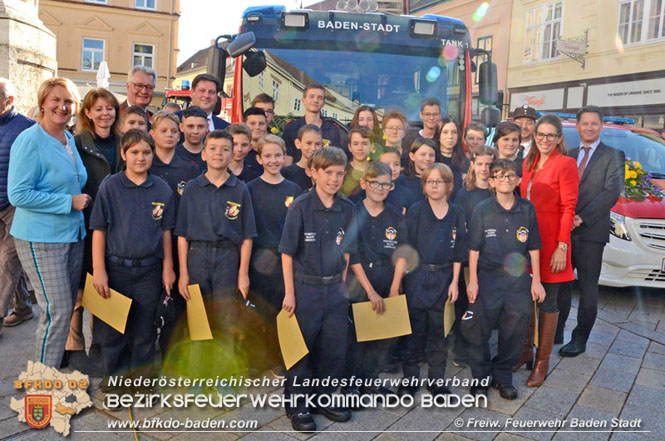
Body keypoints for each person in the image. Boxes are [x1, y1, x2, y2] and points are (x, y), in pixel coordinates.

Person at [8, 78, 90, 368]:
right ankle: (41, 389)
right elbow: (18, 194)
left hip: (70, 235)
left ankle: (47, 374)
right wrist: (68, 202)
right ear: (42, 103)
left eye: (68, 101)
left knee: (60, 312)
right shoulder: (30, 140)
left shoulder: (67, 139)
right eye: (55, 100)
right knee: (58, 311)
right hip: (41, 238)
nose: (62, 106)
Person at [90, 129, 175, 387]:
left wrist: (168, 267)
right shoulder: (110, 185)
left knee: (145, 330)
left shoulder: (161, 188)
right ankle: (114, 381)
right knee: (113, 331)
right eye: (134, 152)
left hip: (149, 270)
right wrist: (99, 269)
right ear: (124, 154)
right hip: (116, 269)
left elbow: (166, 231)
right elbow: (99, 230)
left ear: (153, 155)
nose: (141, 158)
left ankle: (141, 381)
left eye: (146, 152)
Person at [279, 146, 356, 432]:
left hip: (334, 289)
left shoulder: (347, 208)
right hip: (305, 288)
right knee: (301, 350)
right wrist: (290, 293)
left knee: (334, 348)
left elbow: (347, 252)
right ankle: (297, 405)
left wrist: (343, 287)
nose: (334, 179)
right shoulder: (300, 206)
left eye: (339, 174)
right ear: (314, 173)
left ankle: (325, 398)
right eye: (328, 173)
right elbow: (287, 253)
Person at [175, 130, 256, 382]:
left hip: (227, 259)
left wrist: (242, 274)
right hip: (197, 256)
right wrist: (184, 274)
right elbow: (181, 234)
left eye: (224, 149)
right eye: (213, 148)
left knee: (225, 320)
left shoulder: (240, 190)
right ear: (203, 153)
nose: (218, 153)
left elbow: (247, 236)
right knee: (198, 321)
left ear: (233, 154)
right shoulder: (192, 188)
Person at [466, 159, 545, 400]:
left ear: (519, 180)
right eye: (499, 176)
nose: (506, 180)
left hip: (518, 278)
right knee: (479, 329)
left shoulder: (527, 208)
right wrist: (473, 281)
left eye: (511, 176)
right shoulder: (482, 209)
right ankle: (480, 377)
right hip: (488, 276)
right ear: (491, 182)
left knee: (515, 328)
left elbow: (533, 246)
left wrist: (536, 280)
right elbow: (474, 248)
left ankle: (503, 377)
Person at [514, 114, 579, 387]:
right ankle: (525, 351)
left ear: (559, 138)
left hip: (552, 243)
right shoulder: (527, 162)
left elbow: (568, 208)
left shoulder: (566, 164)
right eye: (541, 134)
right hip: (525, 243)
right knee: (526, 299)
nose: (545, 139)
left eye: (551, 135)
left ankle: (542, 362)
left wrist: (562, 247)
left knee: (548, 302)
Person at [557, 106, 625, 357]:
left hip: (591, 232)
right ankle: (556, 331)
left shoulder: (614, 155)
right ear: (577, 126)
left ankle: (580, 338)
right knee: (561, 284)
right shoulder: (568, 155)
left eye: (594, 123)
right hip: (564, 231)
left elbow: (611, 192)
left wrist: (581, 217)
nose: (589, 127)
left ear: (601, 125)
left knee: (587, 287)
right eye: (584, 123)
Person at [398, 163, 465, 398]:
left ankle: (437, 381)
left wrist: (455, 282)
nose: (434, 185)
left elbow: (459, 251)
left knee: (439, 332)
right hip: (418, 277)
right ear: (424, 185)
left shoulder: (456, 212)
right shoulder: (416, 211)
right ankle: (410, 379)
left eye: (439, 181)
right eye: (429, 181)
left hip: (445, 278)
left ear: (449, 185)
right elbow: (406, 248)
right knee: (414, 332)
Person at [68, 88, 122, 367]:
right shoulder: (77, 143)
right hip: (85, 224)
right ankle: (74, 348)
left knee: (103, 286)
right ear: (87, 113)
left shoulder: (124, 142)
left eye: (109, 108)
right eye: (98, 109)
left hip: (116, 228)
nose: (105, 114)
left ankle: (99, 347)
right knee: (78, 287)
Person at [346, 161, 407, 395]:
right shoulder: (352, 211)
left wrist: (394, 288)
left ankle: (371, 380)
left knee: (383, 336)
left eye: (386, 184)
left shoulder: (394, 214)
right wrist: (370, 291)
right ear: (364, 183)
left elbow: (402, 251)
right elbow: (351, 254)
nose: (380, 188)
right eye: (375, 183)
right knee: (358, 335)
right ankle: (353, 384)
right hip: (359, 279)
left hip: (386, 276)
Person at [246, 134, 301, 377]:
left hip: (286, 262)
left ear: (285, 157)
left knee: (284, 309)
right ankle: (260, 358)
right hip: (258, 262)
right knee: (260, 312)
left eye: (277, 155)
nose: (273, 160)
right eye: (267, 156)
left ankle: (281, 356)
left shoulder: (294, 189)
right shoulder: (250, 189)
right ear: (259, 159)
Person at [450, 145, 496, 367]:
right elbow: (460, 225)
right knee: (465, 306)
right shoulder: (464, 193)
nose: (485, 169)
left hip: (490, 258)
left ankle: (479, 351)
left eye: (489, 165)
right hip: (468, 256)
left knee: (483, 307)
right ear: (473, 165)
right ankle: (460, 351)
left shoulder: (497, 191)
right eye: (480, 164)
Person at [0, 78, 34, 333]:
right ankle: (23, 308)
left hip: (15, 207)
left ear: (9, 100)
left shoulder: (27, 128)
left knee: (7, 263)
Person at [282, 84, 344, 164]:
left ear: (324, 103)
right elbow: (287, 160)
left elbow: (335, 160)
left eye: (320, 98)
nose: (315, 100)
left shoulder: (332, 130)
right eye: (311, 96)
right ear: (303, 100)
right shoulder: (291, 128)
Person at [149, 111, 199, 209]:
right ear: (152, 134)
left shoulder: (189, 168)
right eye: (163, 131)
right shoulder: (147, 166)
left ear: (179, 137)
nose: (169, 135)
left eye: (174, 131)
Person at [282, 124, 322, 192]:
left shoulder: (324, 173)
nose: (313, 148)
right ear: (298, 144)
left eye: (317, 144)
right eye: (308, 143)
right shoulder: (286, 173)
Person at [401, 98, 440, 164]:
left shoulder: (443, 140)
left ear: (440, 116)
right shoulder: (409, 140)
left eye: (435, 114)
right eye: (427, 114)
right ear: (421, 115)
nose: (431, 118)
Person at [437, 118, 467, 200]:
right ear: (438, 136)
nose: (450, 136)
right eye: (445, 132)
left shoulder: (465, 161)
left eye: (454, 132)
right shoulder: (432, 160)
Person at [342, 126, 372, 198]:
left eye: (364, 144)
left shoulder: (377, 171)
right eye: (355, 144)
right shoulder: (342, 171)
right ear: (349, 147)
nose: (360, 148)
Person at [176, 106, 208, 171]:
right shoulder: (173, 156)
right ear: (181, 127)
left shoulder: (213, 156)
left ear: (207, 127)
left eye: (200, 126)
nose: (195, 131)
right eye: (190, 126)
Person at [243, 107, 268, 172]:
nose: (257, 127)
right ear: (244, 125)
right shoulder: (239, 152)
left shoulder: (272, 151)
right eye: (252, 124)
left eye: (261, 124)